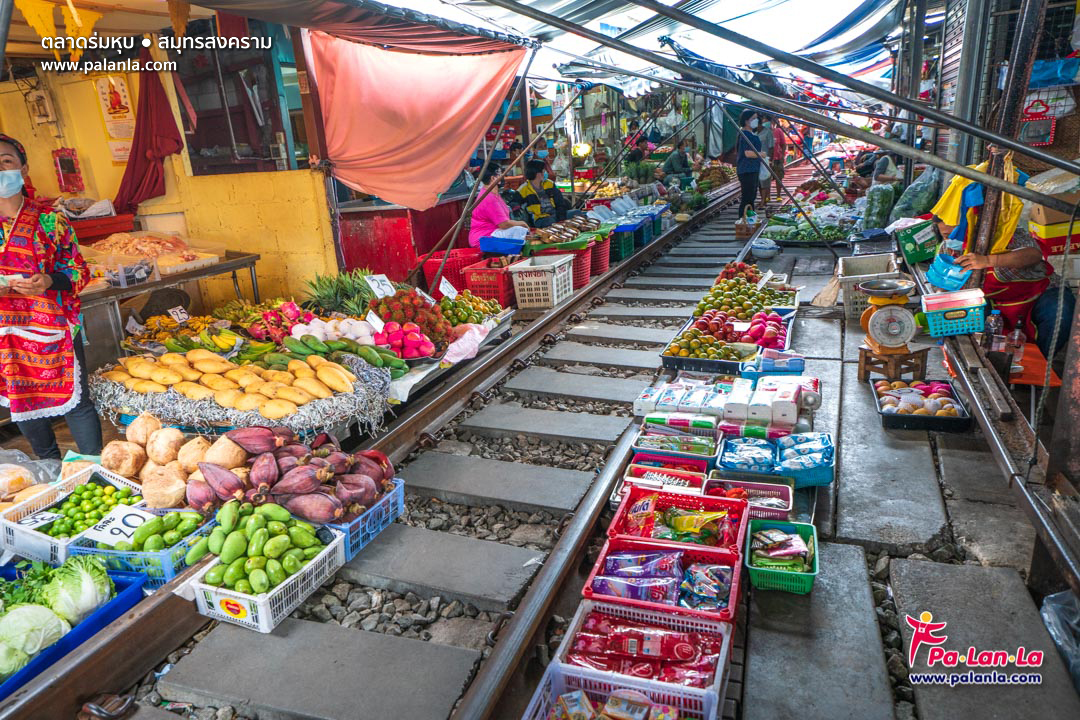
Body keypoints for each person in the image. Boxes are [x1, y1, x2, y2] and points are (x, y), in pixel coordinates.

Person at [0, 134, 101, 459]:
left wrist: (48, 281)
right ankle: (50, 467)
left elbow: (79, 271)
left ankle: (94, 470)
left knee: (77, 401)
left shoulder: (49, 219)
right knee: (23, 400)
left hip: (53, 327)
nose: (0, 170)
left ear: (23, 168)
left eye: (6, 161)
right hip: (6, 331)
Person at [950, 224, 1075, 360]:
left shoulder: (1005, 231)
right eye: (945, 234)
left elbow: (1034, 254)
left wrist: (988, 260)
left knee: (1061, 311)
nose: (950, 235)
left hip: (1039, 291)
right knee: (972, 312)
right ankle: (984, 361)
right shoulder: (950, 248)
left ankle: (1038, 364)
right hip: (993, 304)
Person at [467, 166, 529, 249]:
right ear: (493, 178)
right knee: (519, 230)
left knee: (519, 230)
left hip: (494, 233)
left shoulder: (492, 193)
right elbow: (504, 224)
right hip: (483, 238)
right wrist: (522, 223)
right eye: (500, 174)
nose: (503, 177)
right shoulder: (489, 198)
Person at [515, 159, 570, 228]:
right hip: (540, 219)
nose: (545, 173)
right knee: (550, 222)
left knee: (576, 213)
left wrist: (561, 218)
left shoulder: (550, 184)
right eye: (543, 171)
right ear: (536, 173)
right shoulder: (523, 189)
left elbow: (560, 202)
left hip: (556, 215)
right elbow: (514, 203)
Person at [736, 110, 764, 218]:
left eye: (757, 118)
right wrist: (761, 154)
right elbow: (747, 153)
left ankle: (749, 220)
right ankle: (743, 220)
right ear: (747, 121)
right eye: (754, 118)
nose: (756, 121)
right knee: (747, 197)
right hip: (747, 170)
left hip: (752, 169)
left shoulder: (750, 134)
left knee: (751, 196)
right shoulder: (745, 135)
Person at [757, 115, 776, 204]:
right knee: (759, 182)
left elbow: (771, 147)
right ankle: (763, 198)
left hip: (765, 159)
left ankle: (763, 200)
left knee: (764, 180)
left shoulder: (768, 132)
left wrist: (770, 160)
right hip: (756, 159)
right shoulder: (753, 133)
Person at [770, 119, 788, 200]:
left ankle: (778, 195)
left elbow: (783, 144)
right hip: (767, 159)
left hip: (777, 158)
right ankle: (766, 197)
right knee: (766, 179)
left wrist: (782, 156)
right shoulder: (763, 132)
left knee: (779, 177)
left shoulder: (778, 131)